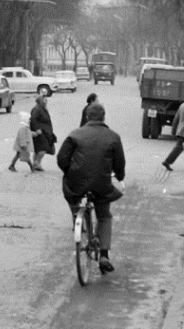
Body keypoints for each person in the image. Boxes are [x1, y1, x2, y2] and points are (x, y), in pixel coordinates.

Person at [57, 102, 126, 274]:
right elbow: (120, 164)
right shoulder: (113, 137)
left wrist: (70, 171)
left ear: (87, 117)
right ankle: (103, 255)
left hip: (77, 183)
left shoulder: (75, 134)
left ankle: (77, 217)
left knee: (72, 195)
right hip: (101, 184)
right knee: (104, 216)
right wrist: (119, 176)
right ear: (103, 117)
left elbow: (61, 159)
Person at [30, 94, 56, 171]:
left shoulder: (42, 108)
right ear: (40, 101)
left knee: (38, 149)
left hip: (45, 132)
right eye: (45, 100)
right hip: (40, 132)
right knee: (43, 148)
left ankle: (36, 164)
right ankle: (37, 163)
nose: (46, 102)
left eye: (46, 100)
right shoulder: (36, 109)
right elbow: (33, 119)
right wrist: (37, 129)